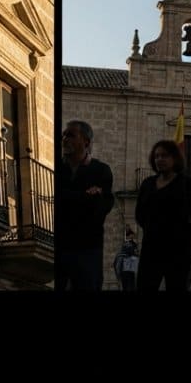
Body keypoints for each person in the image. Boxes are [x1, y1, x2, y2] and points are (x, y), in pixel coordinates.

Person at [135, 140, 191, 292]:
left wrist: (186, 242)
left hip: (178, 253)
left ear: (175, 158)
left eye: (164, 155)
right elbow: (139, 214)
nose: (159, 159)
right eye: (157, 156)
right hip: (150, 250)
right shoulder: (147, 184)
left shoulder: (187, 184)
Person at [56, 120, 115, 291]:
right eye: (64, 135)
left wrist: (73, 199)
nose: (65, 139)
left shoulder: (102, 170)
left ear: (86, 142)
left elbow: (101, 209)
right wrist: (84, 196)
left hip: (88, 249)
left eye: (71, 135)